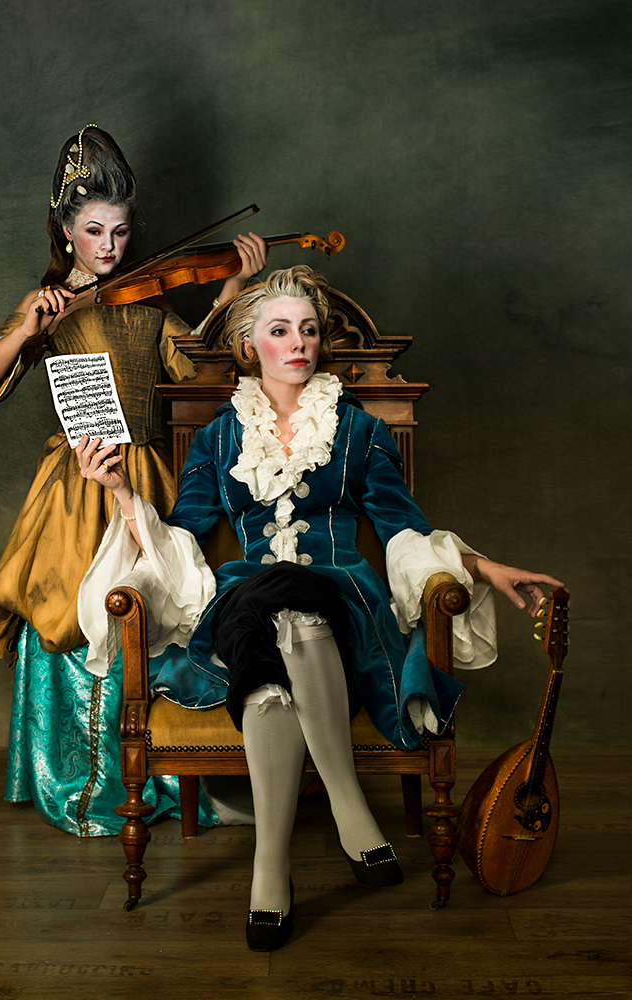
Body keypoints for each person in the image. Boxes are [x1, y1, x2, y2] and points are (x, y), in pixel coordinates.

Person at [75, 264, 564, 950]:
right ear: (250, 345)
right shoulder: (218, 437)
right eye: (280, 330)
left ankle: (282, 861)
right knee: (267, 649)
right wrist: (123, 494)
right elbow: (183, 536)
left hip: (342, 595)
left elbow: (402, 528)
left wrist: (482, 566)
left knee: (292, 620)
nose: (298, 342)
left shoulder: (360, 430)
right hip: (244, 594)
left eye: (307, 329)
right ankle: (330, 818)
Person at [0, 124, 267, 837]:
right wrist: (24, 329)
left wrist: (231, 291)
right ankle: (84, 780)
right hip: (78, 483)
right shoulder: (49, 305)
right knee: (76, 610)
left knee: (160, 609)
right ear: (66, 231)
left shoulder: (150, 305)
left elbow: (203, 373)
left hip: (147, 478)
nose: (108, 247)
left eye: (121, 232)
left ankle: (161, 770)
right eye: (94, 231)